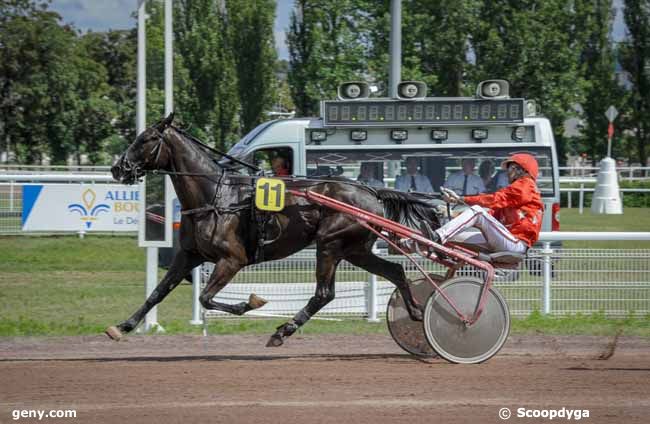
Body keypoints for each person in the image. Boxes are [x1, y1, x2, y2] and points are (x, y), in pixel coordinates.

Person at [421, 153, 544, 254]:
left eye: (510, 168)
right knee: (452, 236)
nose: (507, 173)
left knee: (477, 211)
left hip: (516, 243)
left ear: (521, 170)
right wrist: (453, 214)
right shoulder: (517, 192)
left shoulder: (526, 184)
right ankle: (412, 243)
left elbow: (493, 200)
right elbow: (489, 214)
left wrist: (461, 199)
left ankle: (437, 236)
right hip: (507, 240)